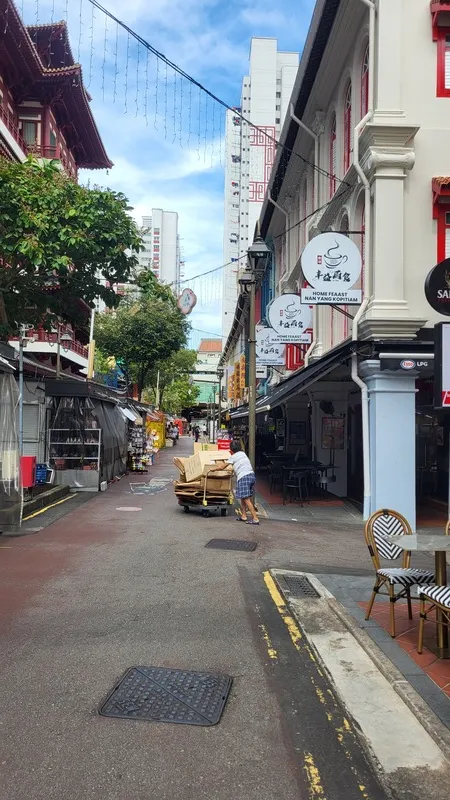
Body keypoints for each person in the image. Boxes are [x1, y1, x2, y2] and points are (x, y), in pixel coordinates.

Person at [223, 440, 259, 525]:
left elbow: (223, 466)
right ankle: (244, 515)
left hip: (243, 477)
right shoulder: (243, 454)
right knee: (243, 497)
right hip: (251, 475)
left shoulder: (233, 456)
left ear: (231, 449)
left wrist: (213, 469)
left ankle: (255, 518)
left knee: (246, 499)